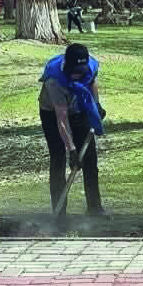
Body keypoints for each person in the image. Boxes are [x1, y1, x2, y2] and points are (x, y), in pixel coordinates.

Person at [39, 43, 107, 223]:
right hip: (51, 112)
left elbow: (91, 82)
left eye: (80, 71)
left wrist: (96, 105)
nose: (78, 75)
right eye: (74, 71)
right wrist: (72, 150)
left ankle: (95, 208)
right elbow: (61, 119)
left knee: (90, 157)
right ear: (67, 66)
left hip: (78, 109)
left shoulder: (90, 67)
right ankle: (59, 213)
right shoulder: (54, 80)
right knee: (58, 158)